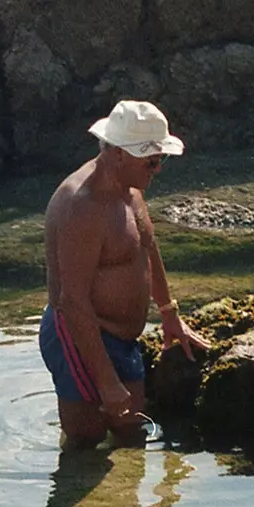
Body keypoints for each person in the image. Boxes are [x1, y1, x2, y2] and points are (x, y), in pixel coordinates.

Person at [40, 98, 207, 448]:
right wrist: (105, 381)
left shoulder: (131, 187)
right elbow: (72, 301)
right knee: (86, 445)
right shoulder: (82, 206)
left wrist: (169, 313)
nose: (158, 168)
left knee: (131, 434)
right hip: (78, 335)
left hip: (122, 338)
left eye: (161, 159)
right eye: (152, 160)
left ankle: (123, 503)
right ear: (118, 153)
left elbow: (147, 246)